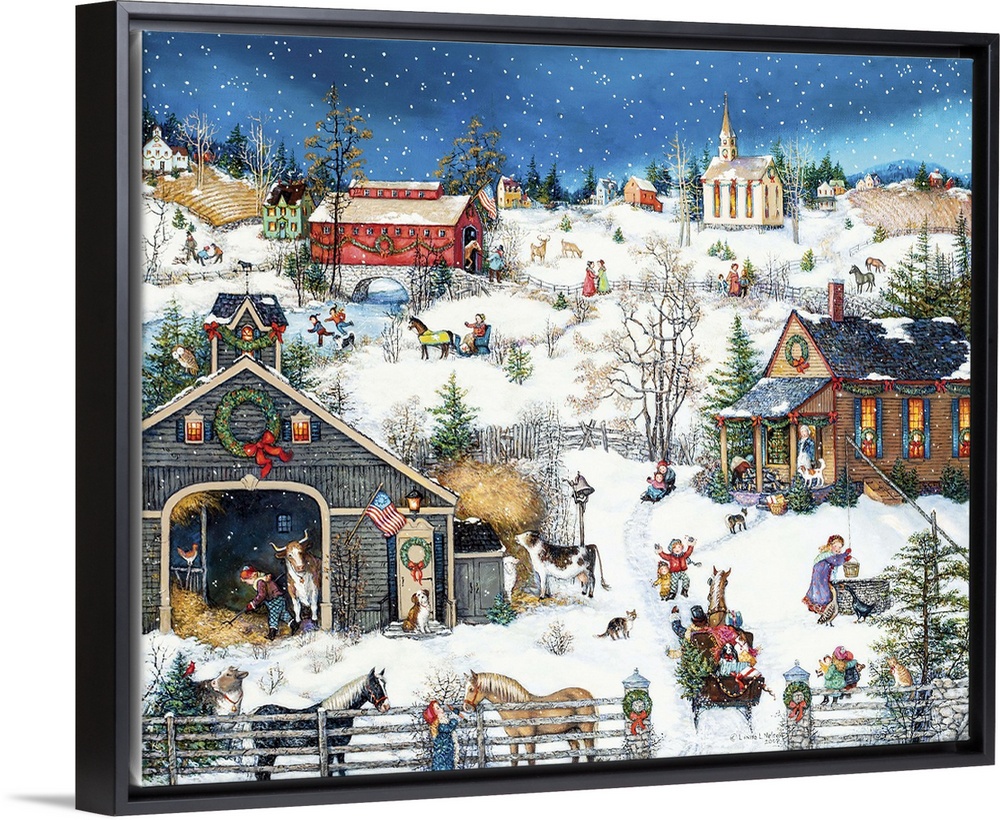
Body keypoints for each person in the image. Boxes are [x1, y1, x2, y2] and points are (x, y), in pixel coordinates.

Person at [803, 535, 852, 625]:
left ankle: (823, 609)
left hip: (823, 576)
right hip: (820, 576)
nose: (838, 549)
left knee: (823, 591)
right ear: (830, 545)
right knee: (823, 592)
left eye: (840, 547)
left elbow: (836, 561)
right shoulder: (827, 555)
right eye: (835, 546)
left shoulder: (831, 555)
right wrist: (845, 555)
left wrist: (844, 557)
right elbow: (836, 561)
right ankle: (821, 609)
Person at [240, 565, 294, 641]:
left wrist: (253, 604)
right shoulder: (262, 579)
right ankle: (294, 624)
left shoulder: (260, 582)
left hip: (274, 599)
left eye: (247, 581)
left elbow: (261, 595)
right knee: (283, 614)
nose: (247, 584)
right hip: (277, 598)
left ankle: (272, 634)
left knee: (273, 615)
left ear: (253, 576)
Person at [423, 699, 462, 770]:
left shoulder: (443, 722)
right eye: (437, 708)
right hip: (443, 762)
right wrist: (455, 715)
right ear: (434, 714)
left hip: (446, 758)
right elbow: (450, 727)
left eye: (439, 707)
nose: (441, 709)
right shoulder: (440, 726)